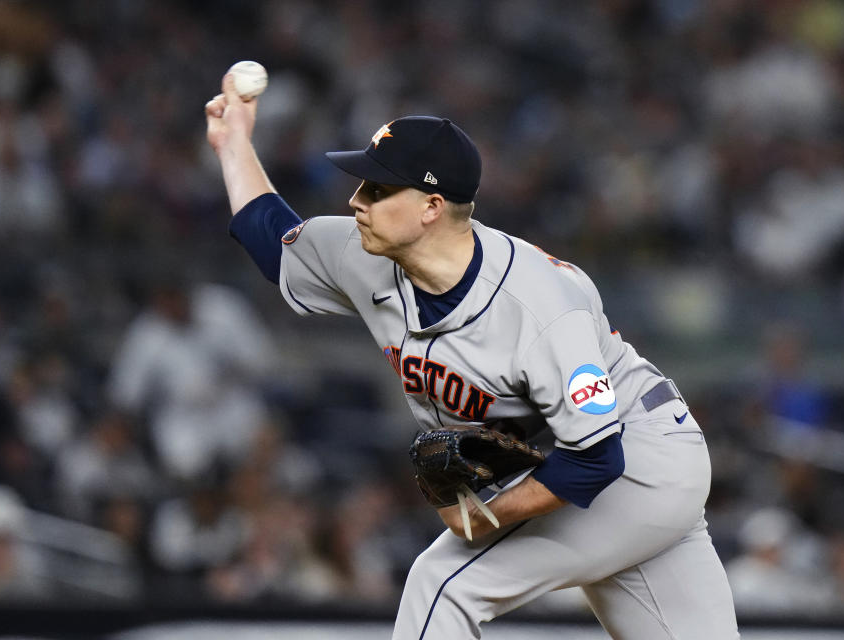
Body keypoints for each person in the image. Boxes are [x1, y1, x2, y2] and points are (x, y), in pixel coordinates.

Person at [205, 72, 739, 639]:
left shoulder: (539, 308)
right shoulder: (365, 252)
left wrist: (485, 515)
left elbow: (596, 459)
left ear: (432, 207)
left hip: (636, 459)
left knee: (442, 585)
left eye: (378, 190)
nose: (356, 201)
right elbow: (273, 239)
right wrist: (234, 142)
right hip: (593, 465)